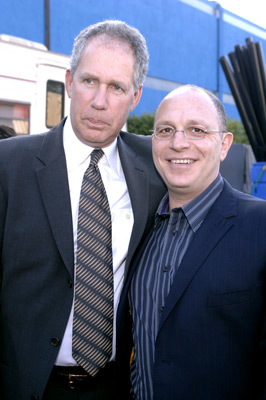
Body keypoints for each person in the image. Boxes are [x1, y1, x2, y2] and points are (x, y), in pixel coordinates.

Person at [0, 20, 166, 400]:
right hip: (25, 386)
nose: (100, 101)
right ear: (69, 81)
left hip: (116, 387)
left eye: (117, 87)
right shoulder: (9, 166)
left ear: (136, 96)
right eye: (90, 81)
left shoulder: (154, 169)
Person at [128, 84, 266, 400]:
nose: (179, 143)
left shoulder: (260, 227)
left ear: (224, 144)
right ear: (153, 142)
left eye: (196, 130)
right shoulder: (138, 226)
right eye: (165, 130)